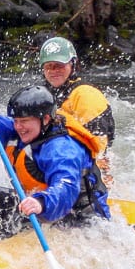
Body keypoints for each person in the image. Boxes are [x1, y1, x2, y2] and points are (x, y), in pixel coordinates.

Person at [0, 83, 110, 238]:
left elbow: (65, 189)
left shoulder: (62, 149)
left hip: (79, 217)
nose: (19, 127)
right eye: (16, 120)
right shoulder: (21, 131)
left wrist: (41, 203)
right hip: (42, 207)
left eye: (24, 121)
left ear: (46, 118)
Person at [37, 36, 115, 174]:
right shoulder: (42, 94)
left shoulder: (86, 95)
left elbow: (98, 149)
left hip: (85, 170)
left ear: (73, 64)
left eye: (59, 65)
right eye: (49, 66)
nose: (53, 71)